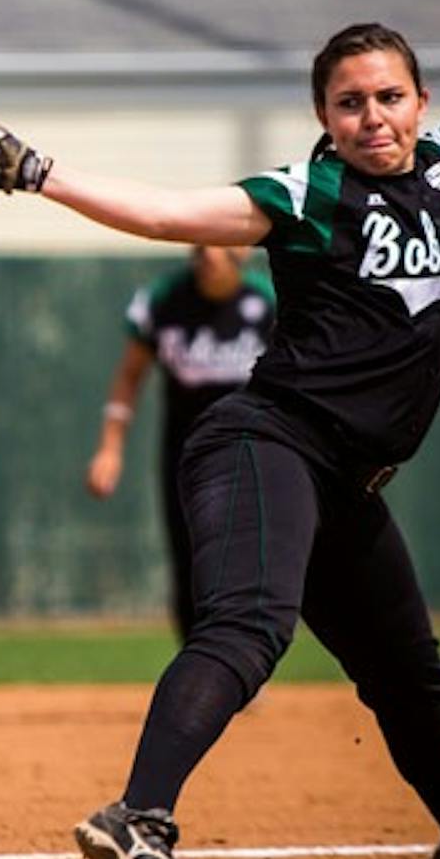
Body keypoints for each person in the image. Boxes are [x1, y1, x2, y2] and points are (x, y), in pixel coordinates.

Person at [0, 0, 440, 859]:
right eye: (349, 103)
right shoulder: (307, 196)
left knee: (410, 675)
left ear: (421, 99)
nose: (372, 116)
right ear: (325, 119)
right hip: (267, 443)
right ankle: (138, 815)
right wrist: (39, 172)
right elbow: (164, 212)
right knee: (248, 625)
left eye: (388, 96)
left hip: (349, 480)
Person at [87, 246, 276, 643]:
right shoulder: (165, 300)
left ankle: (242, 654)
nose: (208, 256)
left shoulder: (267, 302)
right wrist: (110, 447)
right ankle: (198, 657)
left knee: (247, 561)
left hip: (251, 451)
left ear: (241, 251)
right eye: (201, 247)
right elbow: (129, 377)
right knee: (190, 560)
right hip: (186, 452)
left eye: (218, 245)